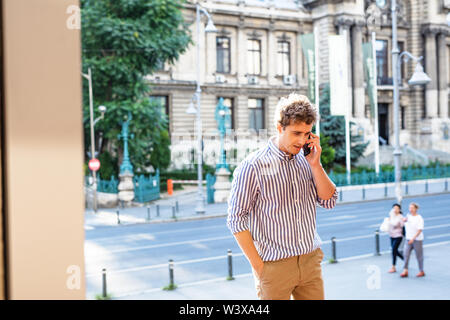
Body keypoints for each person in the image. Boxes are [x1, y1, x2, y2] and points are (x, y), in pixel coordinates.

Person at [226, 93, 338, 300]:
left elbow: (329, 200)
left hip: (309, 261)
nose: (302, 140)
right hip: (273, 266)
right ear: (280, 129)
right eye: (296, 133)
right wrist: (260, 268)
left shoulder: (308, 160)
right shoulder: (253, 166)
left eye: (307, 134)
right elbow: (236, 219)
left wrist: (316, 164)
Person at [400, 202, 425, 278]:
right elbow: (404, 222)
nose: (410, 209)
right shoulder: (408, 216)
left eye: (412, 208)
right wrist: (404, 220)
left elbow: (420, 230)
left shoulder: (419, 218)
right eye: (410, 208)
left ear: (416, 209)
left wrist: (413, 238)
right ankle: (405, 270)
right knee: (406, 254)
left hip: (417, 240)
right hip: (408, 239)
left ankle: (421, 271)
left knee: (419, 256)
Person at [387, 203, 404, 273]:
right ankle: (405, 259)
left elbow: (403, 226)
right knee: (395, 251)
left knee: (394, 250)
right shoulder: (391, 215)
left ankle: (393, 267)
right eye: (394, 208)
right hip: (392, 235)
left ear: (399, 209)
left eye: (397, 208)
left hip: (398, 235)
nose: (395, 210)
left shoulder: (401, 217)